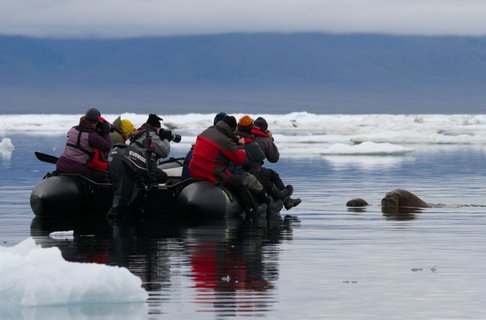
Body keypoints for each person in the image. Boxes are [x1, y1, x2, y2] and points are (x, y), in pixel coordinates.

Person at [189, 115, 267, 216]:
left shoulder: (206, 132)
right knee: (237, 182)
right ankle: (252, 209)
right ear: (232, 128)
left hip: (194, 170)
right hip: (210, 172)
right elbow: (240, 159)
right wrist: (240, 145)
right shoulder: (225, 140)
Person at [107, 113, 176, 217]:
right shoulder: (151, 135)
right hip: (144, 166)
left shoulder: (137, 133)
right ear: (156, 127)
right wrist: (166, 138)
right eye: (159, 129)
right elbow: (164, 151)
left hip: (132, 166)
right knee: (162, 177)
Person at [252, 116, 302, 210]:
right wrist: (270, 140)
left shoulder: (245, 135)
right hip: (254, 171)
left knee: (269, 173)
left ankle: (287, 201)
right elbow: (274, 158)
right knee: (273, 175)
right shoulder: (264, 139)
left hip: (241, 167)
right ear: (264, 129)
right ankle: (286, 200)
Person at [56, 108, 112, 181]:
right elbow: (107, 146)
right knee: (104, 177)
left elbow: (81, 132)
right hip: (77, 169)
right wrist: (105, 132)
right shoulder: (91, 136)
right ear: (96, 122)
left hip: (61, 166)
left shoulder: (72, 130)